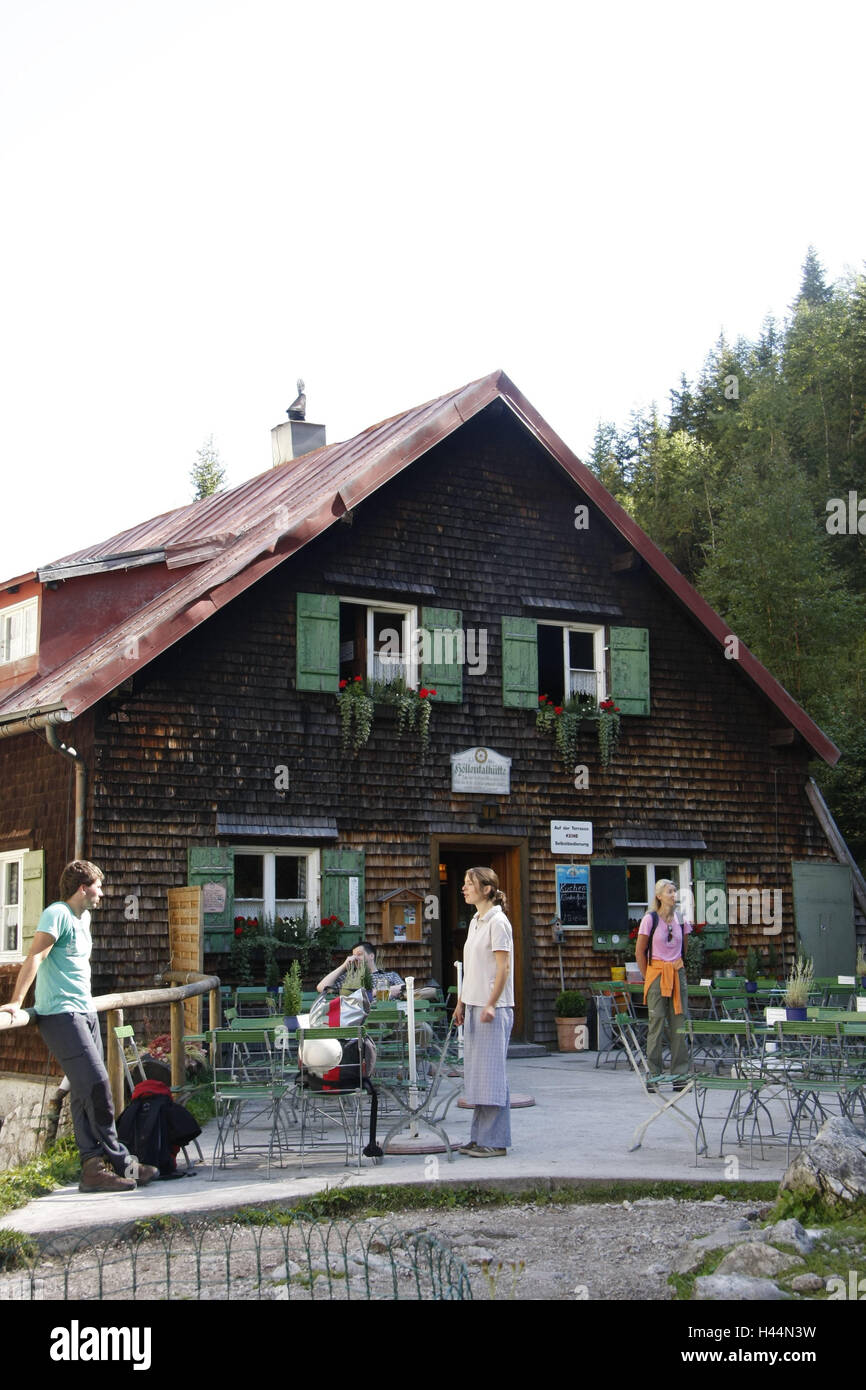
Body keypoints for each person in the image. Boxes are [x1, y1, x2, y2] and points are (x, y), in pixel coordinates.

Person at [0, 860, 158, 1193]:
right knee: (99, 1084)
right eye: (98, 886)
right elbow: (36, 957)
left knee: (83, 1090)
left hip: (85, 1010)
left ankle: (92, 1169)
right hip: (59, 1014)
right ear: (83, 888)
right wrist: (16, 1002)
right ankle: (120, 1160)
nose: (102, 893)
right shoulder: (56, 913)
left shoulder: (83, 918)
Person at [453, 867, 514, 1157]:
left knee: (492, 1076)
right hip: (475, 1005)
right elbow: (472, 969)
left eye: (470, 884)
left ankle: (496, 1142)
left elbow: (504, 968)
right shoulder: (476, 921)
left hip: (494, 1008)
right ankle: (479, 1138)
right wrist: (461, 1002)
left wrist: (491, 1002)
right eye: (464, 884)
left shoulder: (498, 922)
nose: (464, 888)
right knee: (478, 1076)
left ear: (487, 889)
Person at [636, 879, 691, 1090]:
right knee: (656, 1023)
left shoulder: (680, 919)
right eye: (670, 891)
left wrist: (679, 968)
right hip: (657, 973)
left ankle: (679, 1075)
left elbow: (684, 949)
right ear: (659, 896)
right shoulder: (650, 919)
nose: (674, 895)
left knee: (679, 1025)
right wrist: (648, 975)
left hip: (676, 972)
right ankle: (654, 1075)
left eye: (675, 891)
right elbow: (640, 951)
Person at [316, 940, 437, 1000]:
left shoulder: (390, 976)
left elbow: (403, 992)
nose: (354, 958)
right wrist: (343, 966)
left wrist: (397, 991)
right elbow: (321, 988)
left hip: (393, 1018)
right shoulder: (349, 979)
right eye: (353, 955)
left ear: (371, 956)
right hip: (366, 1021)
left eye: (359, 954)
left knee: (425, 1029)